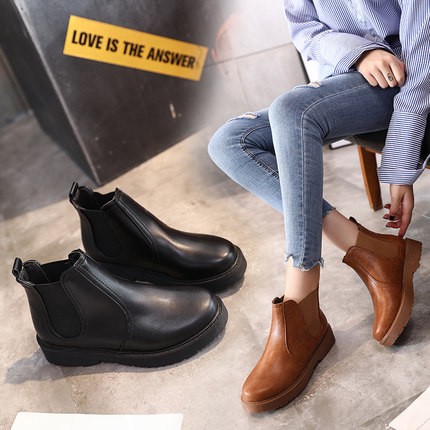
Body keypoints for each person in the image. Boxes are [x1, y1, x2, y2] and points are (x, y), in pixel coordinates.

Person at [208, 0, 430, 414]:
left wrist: (401, 163)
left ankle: (302, 306)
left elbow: (424, 45)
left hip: (414, 74)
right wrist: (359, 53)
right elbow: (305, 28)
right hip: (352, 76)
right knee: (229, 142)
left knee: (292, 111)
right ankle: (372, 251)